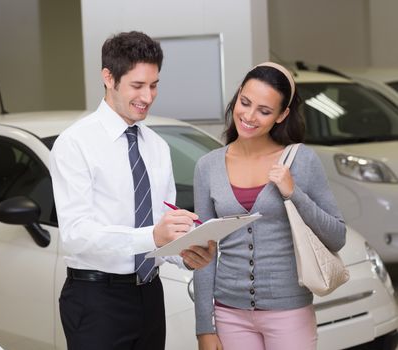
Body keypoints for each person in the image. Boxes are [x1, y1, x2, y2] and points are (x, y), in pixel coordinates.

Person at [48, 31, 217, 350]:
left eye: (154, 85)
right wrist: (153, 236)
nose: (148, 96)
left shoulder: (157, 146)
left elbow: (164, 226)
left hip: (150, 296)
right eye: (137, 86)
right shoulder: (75, 144)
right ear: (108, 77)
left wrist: (188, 254)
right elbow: (76, 234)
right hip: (96, 300)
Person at [193, 62, 347, 350]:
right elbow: (205, 251)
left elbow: (337, 236)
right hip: (229, 314)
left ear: (282, 115)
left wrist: (293, 193)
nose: (249, 116)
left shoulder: (302, 160)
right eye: (245, 103)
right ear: (238, 95)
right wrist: (204, 326)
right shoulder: (208, 166)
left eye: (264, 111)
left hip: (289, 313)